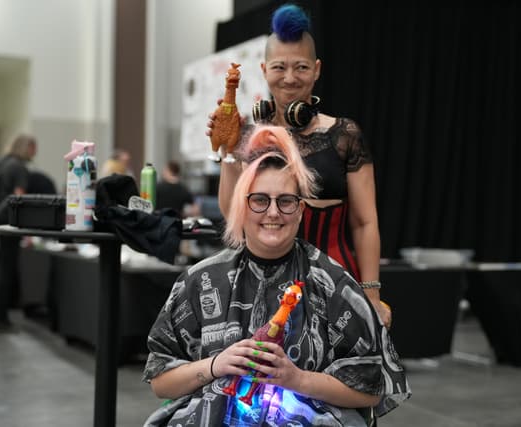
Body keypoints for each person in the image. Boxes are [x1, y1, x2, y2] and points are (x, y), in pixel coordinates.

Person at [143, 126, 409, 426]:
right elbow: (160, 382)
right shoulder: (201, 280)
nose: (273, 212)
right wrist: (216, 364)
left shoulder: (332, 282)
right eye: (260, 200)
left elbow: (371, 391)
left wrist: (297, 379)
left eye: (285, 201)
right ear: (243, 206)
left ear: (300, 210)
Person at [208, 4, 390, 328]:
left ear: (317, 69)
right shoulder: (248, 135)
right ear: (264, 70)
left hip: (336, 286)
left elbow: (365, 223)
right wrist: (229, 148)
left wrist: (371, 294)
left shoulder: (344, 135)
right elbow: (230, 215)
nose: (290, 78)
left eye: (301, 67)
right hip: (261, 289)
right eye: (279, 67)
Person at [0, 134, 37, 333]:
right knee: (7, 272)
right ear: (26, 148)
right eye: (33, 147)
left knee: (3, 271)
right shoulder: (19, 168)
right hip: (8, 222)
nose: (35, 152)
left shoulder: (1, 164)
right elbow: (19, 199)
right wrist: (28, 231)